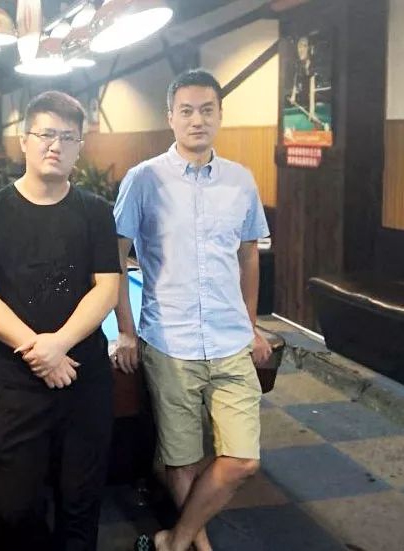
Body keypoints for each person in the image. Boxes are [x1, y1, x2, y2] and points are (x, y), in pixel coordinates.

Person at [112, 69, 272, 551]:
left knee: (243, 460)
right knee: (180, 461)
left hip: (230, 341)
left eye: (206, 110)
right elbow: (115, 258)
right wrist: (125, 329)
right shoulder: (143, 179)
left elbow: (248, 255)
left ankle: (175, 539)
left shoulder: (241, 180)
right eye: (186, 111)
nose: (197, 120)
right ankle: (197, 546)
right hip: (170, 341)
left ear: (220, 115)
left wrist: (251, 325)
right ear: (171, 117)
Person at [0, 91, 120, 551]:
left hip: (84, 377)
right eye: (46, 134)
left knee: (81, 504)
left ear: (79, 147)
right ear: (24, 140)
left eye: (68, 137)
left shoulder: (95, 211)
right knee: (15, 507)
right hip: (16, 380)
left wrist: (59, 345)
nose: (56, 145)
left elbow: (107, 288)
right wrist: (39, 350)